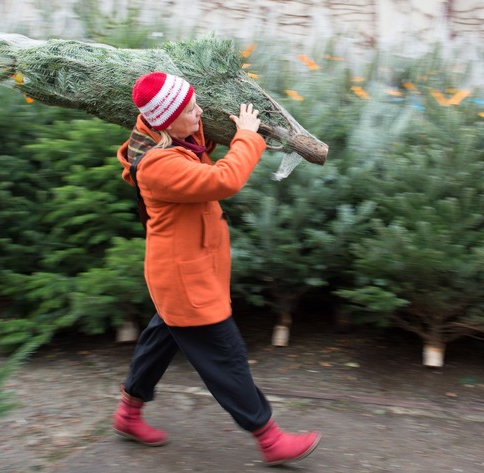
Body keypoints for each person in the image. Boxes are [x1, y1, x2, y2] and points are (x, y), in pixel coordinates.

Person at [113, 71, 321, 467]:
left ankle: (127, 414)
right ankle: (270, 439)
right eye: (191, 109)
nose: (200, 111)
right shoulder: (159, 164)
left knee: (160, 343)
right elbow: (225, 179)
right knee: (226, 356)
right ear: (167, 119)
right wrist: (247, 134)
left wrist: (208, 127)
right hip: (185, 281)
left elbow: (193, 148)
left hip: (181, 273)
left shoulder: (168, 139)